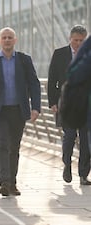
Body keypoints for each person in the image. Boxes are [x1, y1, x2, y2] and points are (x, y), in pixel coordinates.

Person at [0, 27, 41, 196]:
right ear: (0, 41)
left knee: (14, 147)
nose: (7, 40)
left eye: (10, 37)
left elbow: (34, 84)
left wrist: (36, 107)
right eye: (4, 37)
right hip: (0, 112)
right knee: (3, 145)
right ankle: (4, 183)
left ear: (15, 40)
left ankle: (13, 183)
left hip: (19, 110)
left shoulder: (24, 60)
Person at [47, 25, 91, 185]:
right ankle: (67, 164)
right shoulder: (59, 54)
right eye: (76, 40)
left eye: (82, 40)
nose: (78, 44)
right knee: (70, 136)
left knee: (86, 141)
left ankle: (83, 174)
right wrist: (52, 102)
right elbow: (52, 81)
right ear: (70, 39)